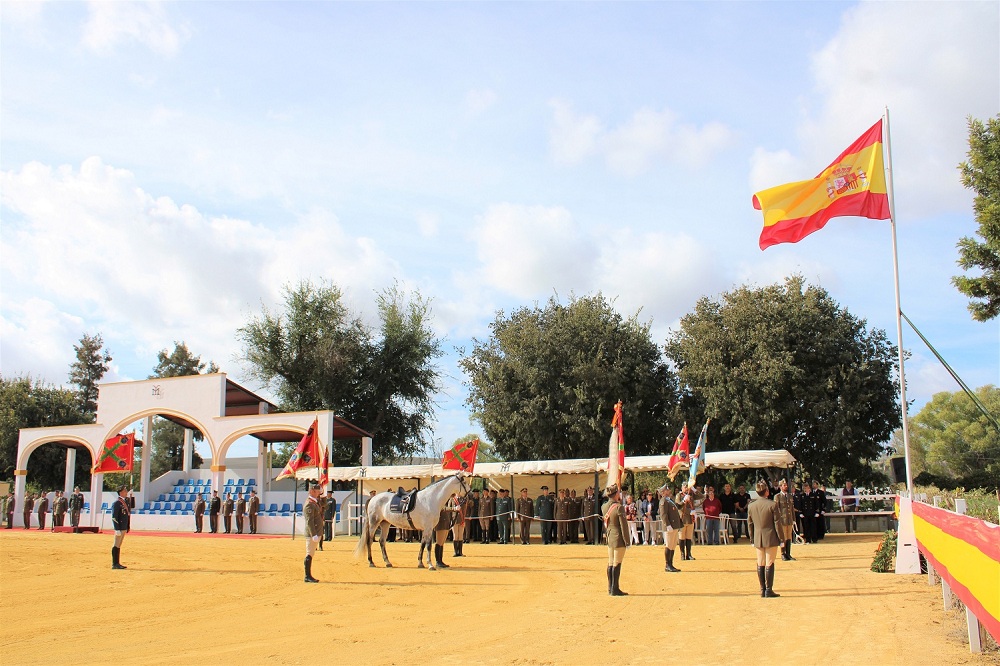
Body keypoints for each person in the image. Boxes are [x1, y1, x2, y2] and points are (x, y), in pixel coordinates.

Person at [747, 480, 782, 598]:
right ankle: (768, 590)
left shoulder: (751, 506)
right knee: (769, 562)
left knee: (760, 562)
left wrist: (752, 539)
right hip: (770, 535)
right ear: (766, 491)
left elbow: (750, 524)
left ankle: (762, 589)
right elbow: (777, 523)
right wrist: (781, 539)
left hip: (758, 536)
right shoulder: (772, 504)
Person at [602, 485, 629, 596]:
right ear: (616, 494)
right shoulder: (619, 507)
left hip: (610, 537)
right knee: (617, 563)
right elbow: (624, 526)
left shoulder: (604, 507)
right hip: (618, 538)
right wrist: (627, 541)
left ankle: (610, 587)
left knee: (611, 562)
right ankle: (615, 588)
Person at [659, 484, 682, 572]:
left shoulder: (669, 500)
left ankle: (671, 564)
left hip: (674, 525)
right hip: (670, 526)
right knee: (669, 545)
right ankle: (667, 565)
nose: (669, 491)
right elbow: (663, 514)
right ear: (663, 492)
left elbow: (678, 507)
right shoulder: (663, 501)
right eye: (667, 490)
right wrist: (667, 525)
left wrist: (684, 501)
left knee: (673, 545)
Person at [676, 484, 703, 560]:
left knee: (688, 537)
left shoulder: (691, 495)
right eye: (685, 487)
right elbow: (678, 506)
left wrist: (694, 490)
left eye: (687, 487)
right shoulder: (679, 495)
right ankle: (682, 554)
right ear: (682, 488)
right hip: (682, 519)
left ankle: (689, 554)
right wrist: (684, 501)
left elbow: (702, 496)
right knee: (681, 537)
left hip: (690, 519)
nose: (686, 488)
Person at [302, 483, 322, 583]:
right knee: (309, 554)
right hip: (312, 533)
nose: (318, 493)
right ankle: (307, 576)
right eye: (316, 491)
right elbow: (309, 521)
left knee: (311, 553)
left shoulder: (314, 502)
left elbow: (323, 505)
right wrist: (313, 534)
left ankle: (308, 575)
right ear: (311, 491)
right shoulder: (309, 504)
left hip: (316, 532)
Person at [774, 479, 796, 561]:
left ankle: (788, 554)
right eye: (784, 485)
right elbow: (776, 509)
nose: (786, 486)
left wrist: (793, 519)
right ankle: (783, 553)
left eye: (786, 485)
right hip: (782, 520)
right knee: (783, 537)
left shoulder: (790, 496)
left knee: (789, 537)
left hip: (789, 520)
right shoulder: (777, 496)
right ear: (780, 487)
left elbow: (792, 508)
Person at [111, 486, 131, 570]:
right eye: (125, 491)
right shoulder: (117, 503)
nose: (126, 492)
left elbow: (130, 509)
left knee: (119, 545)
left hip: (123, 526)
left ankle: (117, 563)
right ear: (121, 492)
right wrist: (117, 529)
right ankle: (115, 563)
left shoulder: (124, 501)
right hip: (119, 527)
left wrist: (127, 526)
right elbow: (114, 517)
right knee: (116, 544)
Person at [451, 490, 467, 557]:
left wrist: (463, 519)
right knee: (455, 535)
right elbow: (450, 509)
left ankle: (460, 552)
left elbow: (464, 510)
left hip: (461, 519)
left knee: (460, 535)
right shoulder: (452, 499)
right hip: (454, 519)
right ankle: (455, 552)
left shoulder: (463, 499)